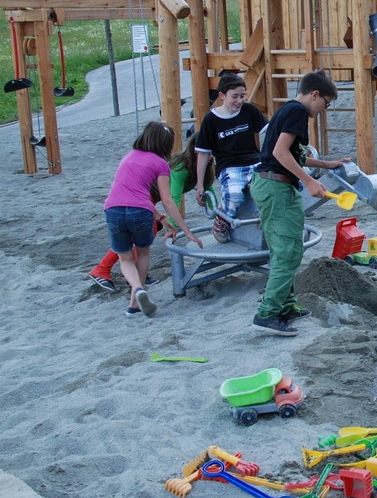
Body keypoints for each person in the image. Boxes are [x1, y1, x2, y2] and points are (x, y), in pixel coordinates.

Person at [251, 71, 350, 335]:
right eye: (325, 104)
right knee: (288, 252)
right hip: (277, 187)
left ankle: (286, 305)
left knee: (284, 248)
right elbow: (279, 153)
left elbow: (294, 155)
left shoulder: (288, 110)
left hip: (270, 184)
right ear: (315, 94)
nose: (324, 110)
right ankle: (268, 313)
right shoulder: (297, 112)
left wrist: (327, 164)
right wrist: (309, 182)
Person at [103, 121, 203, 316]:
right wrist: (185, 230)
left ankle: (136, 295)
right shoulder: (160, 164)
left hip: (113, 209)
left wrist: (162, 219)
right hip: (140, 213)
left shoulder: (128, 157)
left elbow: (129, 193)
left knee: (125, 258)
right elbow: (167, 199)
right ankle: (136, 296)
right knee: (142, 254)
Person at [88, 135, 212, 290]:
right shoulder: (181, 167)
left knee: (143, 232)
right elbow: (172, 198)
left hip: (148, 198)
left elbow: (209, 188)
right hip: (143, 197)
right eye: (207, 152)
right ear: (195, 151)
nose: (210, 156)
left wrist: (219, 212)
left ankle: (133, 274)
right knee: (141, 232)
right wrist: (173, 225)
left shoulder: (204, 167)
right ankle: (102, 270)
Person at [194, 73, 268, 243]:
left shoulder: (249, 110)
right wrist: (200, 184)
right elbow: (203, 153)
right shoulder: (211, 120)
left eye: (243, 96)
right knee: (234, 195)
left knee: (275, 184)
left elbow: (270, 132)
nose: (240, 101)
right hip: (229, 166)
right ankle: (222, 218)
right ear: (222, 96)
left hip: (254, 160)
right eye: (234, 96)